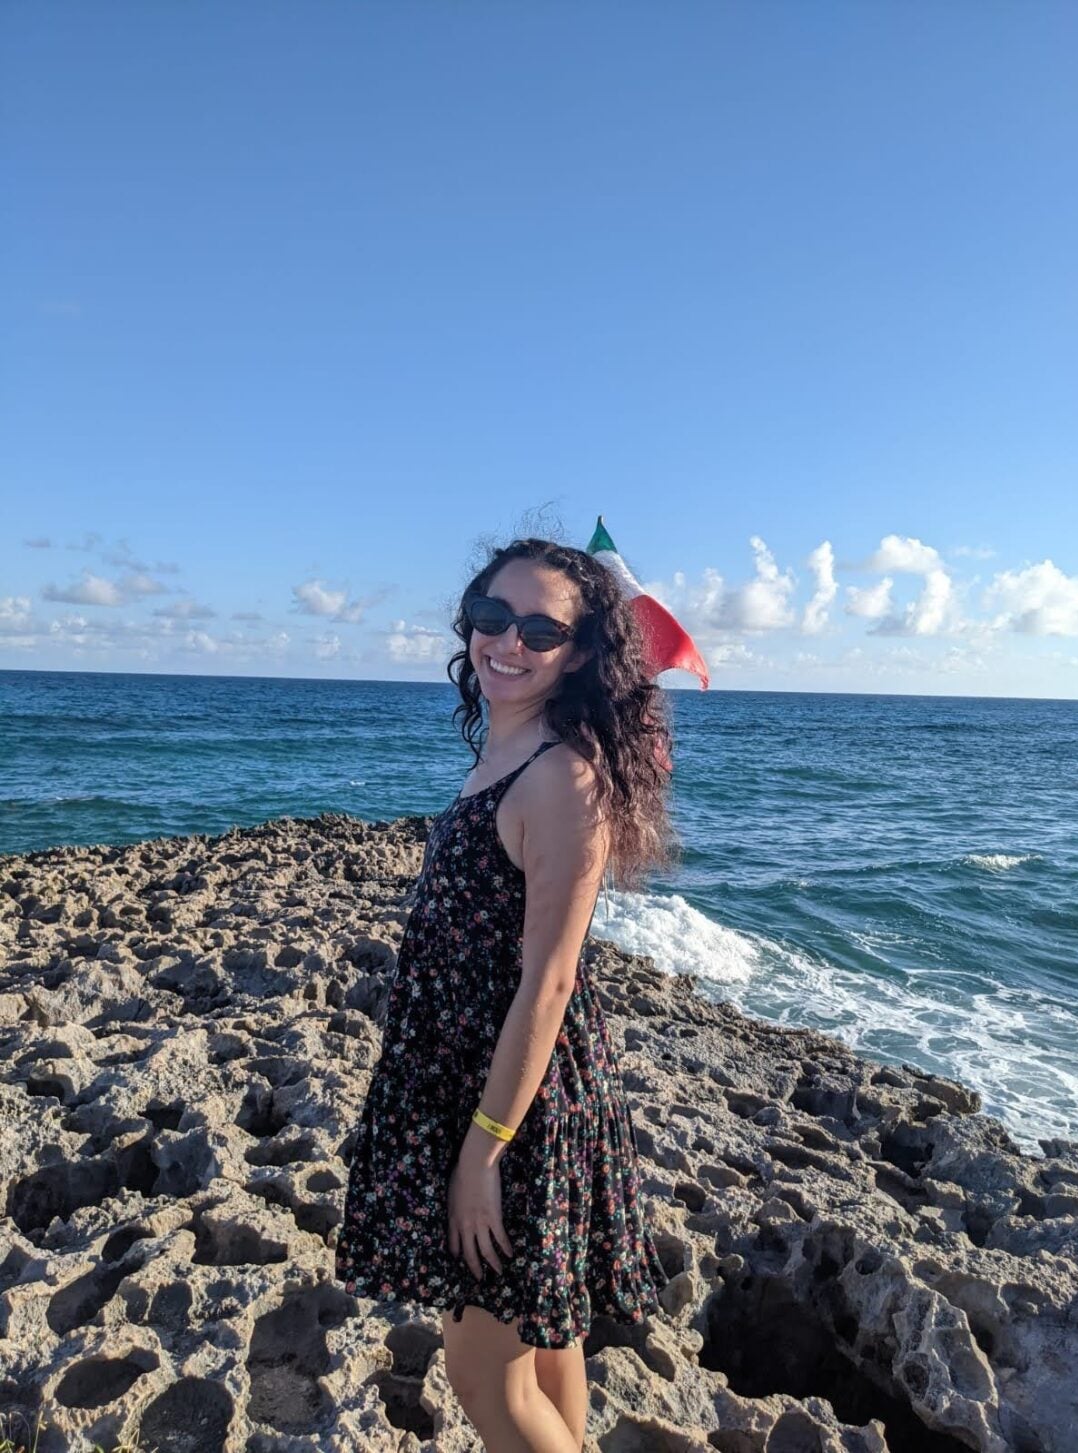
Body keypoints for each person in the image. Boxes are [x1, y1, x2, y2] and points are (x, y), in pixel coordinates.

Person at [334, 535, 680, 1451]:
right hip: (477, 1072)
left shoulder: (562, 776)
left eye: (540, 628)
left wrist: (484, 1150)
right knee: (544, 1331)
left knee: (484, 1380)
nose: (509, 642)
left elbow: (551, 979)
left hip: (510, 1097)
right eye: (494, 617)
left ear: (579, 651)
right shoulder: (511, 745)